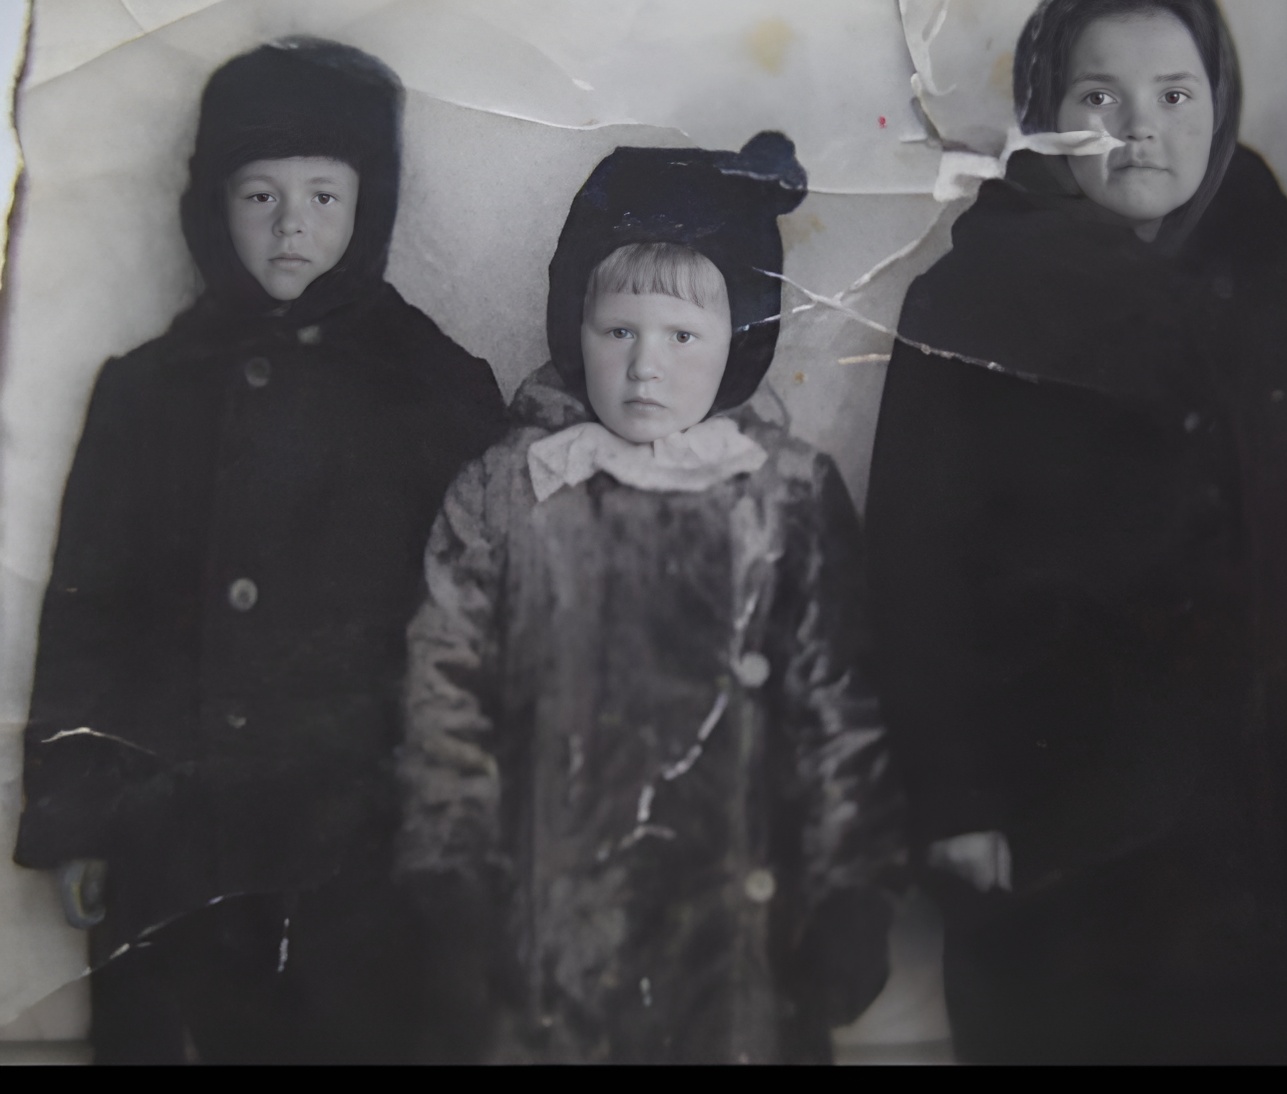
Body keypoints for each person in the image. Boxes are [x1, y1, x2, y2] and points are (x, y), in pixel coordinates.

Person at [867, 0, 1287, 1065]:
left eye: (1175, 94)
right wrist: (953, 799)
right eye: (1099, 95)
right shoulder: (967, 301)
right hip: (1060, 820)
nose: (1140, 127)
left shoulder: (1286, 293)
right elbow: (915, 574)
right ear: (1047, 112)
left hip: (1267, 810)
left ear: (1220, 103)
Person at [12, 38, 506, 1063]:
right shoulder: (146, 389)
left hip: (363, 850)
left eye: (325, 197)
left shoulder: (435, 386)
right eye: (260, 196)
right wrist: (79, 817)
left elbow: (487, 627)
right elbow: (89, 612)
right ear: (213, 205)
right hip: (175, 840)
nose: (292, 227)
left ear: (370, 205)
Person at [397, 133, 907, 1064]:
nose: (645, 367)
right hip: (550, 936)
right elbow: (446, 696)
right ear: (573, 329)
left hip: (740, 941)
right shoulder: (510, 488)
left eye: (682, 336)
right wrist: (451, 881)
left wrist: (851, 887)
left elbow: (836, 705)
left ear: (738, 340)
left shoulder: (784, 494)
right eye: (618, 331)